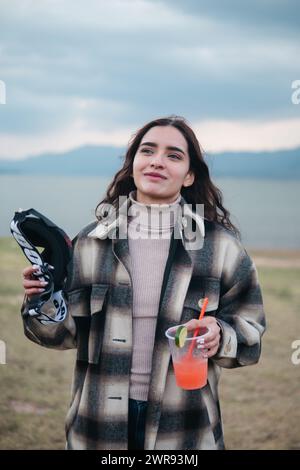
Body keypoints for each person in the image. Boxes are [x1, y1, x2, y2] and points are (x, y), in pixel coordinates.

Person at [21, 115, 266, 450]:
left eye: (174, 155)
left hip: (183, 429)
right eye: (147, 151)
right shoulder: (92, 242)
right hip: (97, 425)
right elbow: (58, 335)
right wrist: (42, 298)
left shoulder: (220, 247)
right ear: (133, 163)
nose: (157, 161)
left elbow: (251, 333)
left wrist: (220, 334)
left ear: (189, 174)